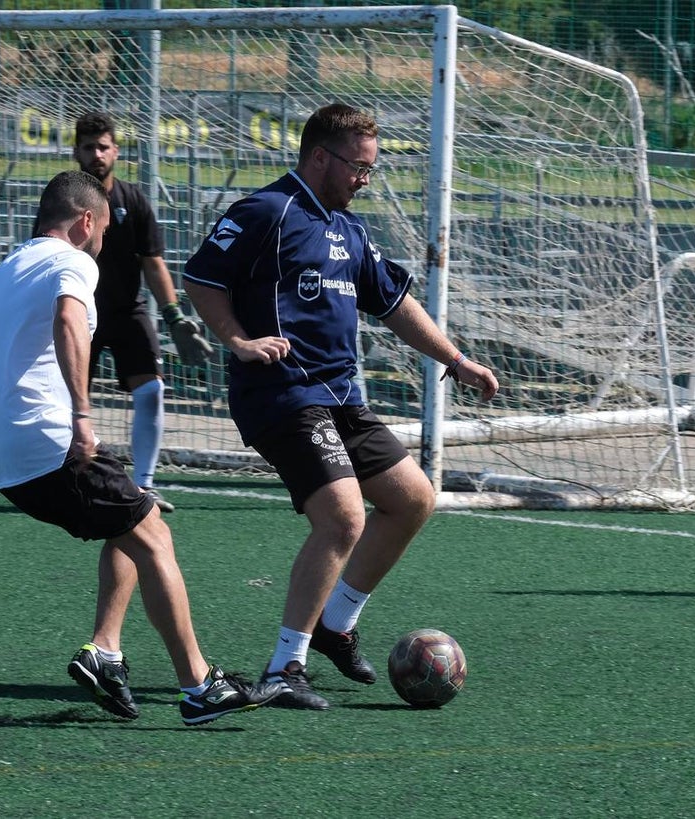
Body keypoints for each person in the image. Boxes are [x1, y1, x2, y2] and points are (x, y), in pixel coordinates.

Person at [182, 103, 499, 710]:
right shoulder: (266, 211)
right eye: (358, 166)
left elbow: (395, 304)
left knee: (413, 499)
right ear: (320, 157)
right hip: (282, 394)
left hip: (340, 396)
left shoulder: (349, 229)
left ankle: (334, 625)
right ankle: (285, 667)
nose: (364, 179)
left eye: (370, 169)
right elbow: (201, 277)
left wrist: (456, 360)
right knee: (344, 518)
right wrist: (238, 340)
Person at [0, 170, 277, 725]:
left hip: (3, 459)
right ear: (86, 221)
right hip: (48, 443)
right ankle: (199, 686)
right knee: (155, 537)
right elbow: (69, 319)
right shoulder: (73, 262)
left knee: (132, 518)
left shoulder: (1, 274)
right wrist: (81, 415)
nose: (103, 242)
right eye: (103, 231)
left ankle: (105, 651)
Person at [73, 111, 213, 514]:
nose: (97, 154)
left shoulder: (132, 200)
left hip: (126, 311)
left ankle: (145, 485)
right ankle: (72, 478)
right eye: (89, 147)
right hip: (77, 313)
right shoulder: (64, 199)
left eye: (103, 146)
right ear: (76, 152)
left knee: (151, 390)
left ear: (116, 151)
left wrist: (174, 316)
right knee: (71, 401)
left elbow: (153, 263)